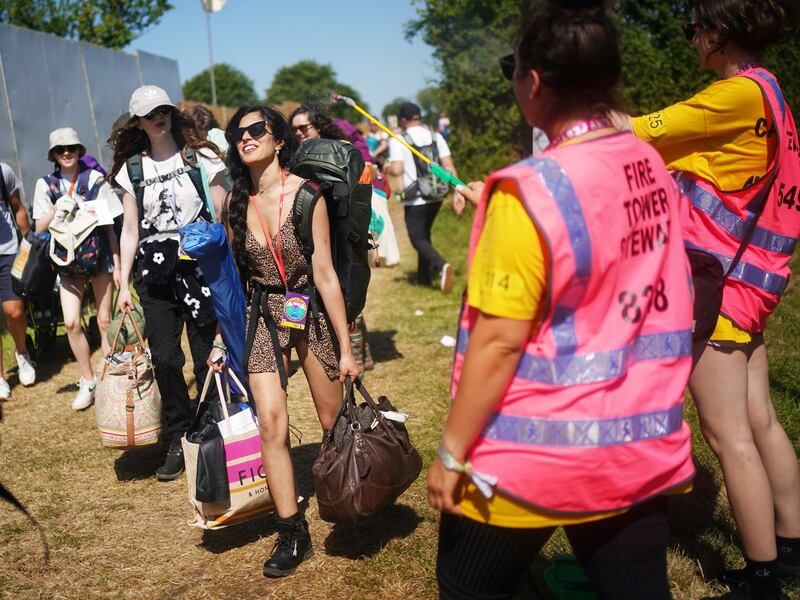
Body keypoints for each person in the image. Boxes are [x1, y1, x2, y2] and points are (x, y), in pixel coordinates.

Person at [427, 1, 696, 599]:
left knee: (466, 586)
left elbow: (498, 342)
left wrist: (451, 453)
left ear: (534, 82)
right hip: (636, 439)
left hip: (533, 451)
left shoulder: (528, 191)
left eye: (513, 71)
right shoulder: (649, 163)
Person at [618, 2, 800, 598]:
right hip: (753, 281)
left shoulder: (735, 95)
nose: (692, 40)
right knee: (761, 421)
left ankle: (762, 576)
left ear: (720, 32)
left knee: (728, 438)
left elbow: (638, 131)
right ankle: (792, 548)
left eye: (694, 29)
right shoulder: (772, 95)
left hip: (719, 287)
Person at [217, 104, 359, 577]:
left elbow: (325, 274)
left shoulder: (307, 196)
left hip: (307, 305)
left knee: (332, 419)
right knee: (271, 426)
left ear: (279, 139)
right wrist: (223, 339)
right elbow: (233, 281)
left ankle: (352, 493)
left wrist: (345, 345)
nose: (246, 137)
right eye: (238, 133)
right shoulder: (235, 202)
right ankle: (291, 532)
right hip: (262, 314)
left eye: (256, 129)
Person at [109, 85, 227, 480]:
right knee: (164, 357)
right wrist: (123, 285)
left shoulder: (201, 156)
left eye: (162, 109)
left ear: (171, 112)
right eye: (148, 113)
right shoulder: (133, 169)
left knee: (204, 354)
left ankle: (212, 430)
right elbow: (129, 230)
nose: (157, 117)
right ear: (137, 122)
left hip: (198, 267)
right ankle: (178, 434)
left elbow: (222, 215)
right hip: (154, 272)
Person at [32, 128, 121, 410]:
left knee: (104, 320)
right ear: (54, 156)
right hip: (66, 263)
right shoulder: (45, 185)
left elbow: (110, 227)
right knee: (71, 322)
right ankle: (88, 380)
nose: (67, 153)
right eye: (60, 150)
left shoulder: (95, 179)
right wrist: (58, 206)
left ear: (80, 149)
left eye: (71, 147)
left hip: (100, 258)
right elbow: (38, 227)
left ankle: (110, 380)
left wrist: (118, 265)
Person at [290, 103, 377, 372]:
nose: (300, 134)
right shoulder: (293, 159)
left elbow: (359, 195)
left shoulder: (342, 151)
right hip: (310, 236)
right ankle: (310, 351)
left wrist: (364, 231)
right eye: (294, 130)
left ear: (319, 126)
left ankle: (357, 356)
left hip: (341, 232)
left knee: (345, 293)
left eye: (304, 127)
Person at [387, 102, 459, 293]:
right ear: (419, 117)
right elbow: (449, 165)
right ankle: (424, 278)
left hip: (416, 197)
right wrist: (459, 190)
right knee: (424, 235)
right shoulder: (436, 136)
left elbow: (397, 169)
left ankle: (441, 266)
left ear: (403, 120)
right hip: (437, 195)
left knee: (416, 238)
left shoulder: (398, 139)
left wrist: (386, 168)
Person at [0, 162, 35, 398]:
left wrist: (27, 245)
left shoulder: (4, 172)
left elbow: (18, 208)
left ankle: (22, 353)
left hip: (9, 250)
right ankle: (0, 377)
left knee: (14, 311)